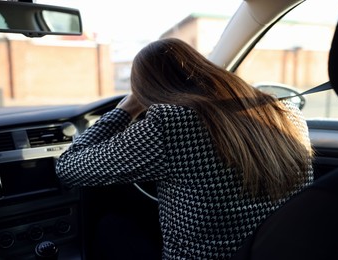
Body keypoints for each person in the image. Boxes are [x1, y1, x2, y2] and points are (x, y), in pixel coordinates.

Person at [55, 37, 314, 259]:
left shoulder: (169, 123)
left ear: (147, 89)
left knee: (112, 226)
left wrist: (126, 110)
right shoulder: (286, 112)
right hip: (273, 251)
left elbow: (68, 168)